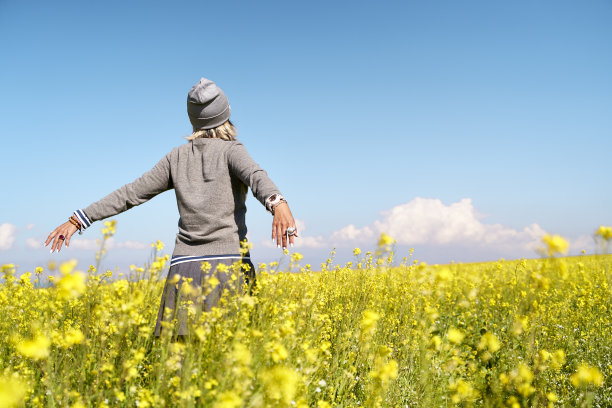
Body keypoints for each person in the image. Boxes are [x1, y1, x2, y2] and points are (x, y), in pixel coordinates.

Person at [44, 77, 298, 341]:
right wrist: (277, 203)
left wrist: (78, 220)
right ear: (226, 114)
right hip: (228, 268)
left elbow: (131, 193)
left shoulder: (175, 158)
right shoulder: (232, 151)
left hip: (184, 273)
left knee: (181, 370)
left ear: (194, 120)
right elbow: (257, 176)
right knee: (232, 367)